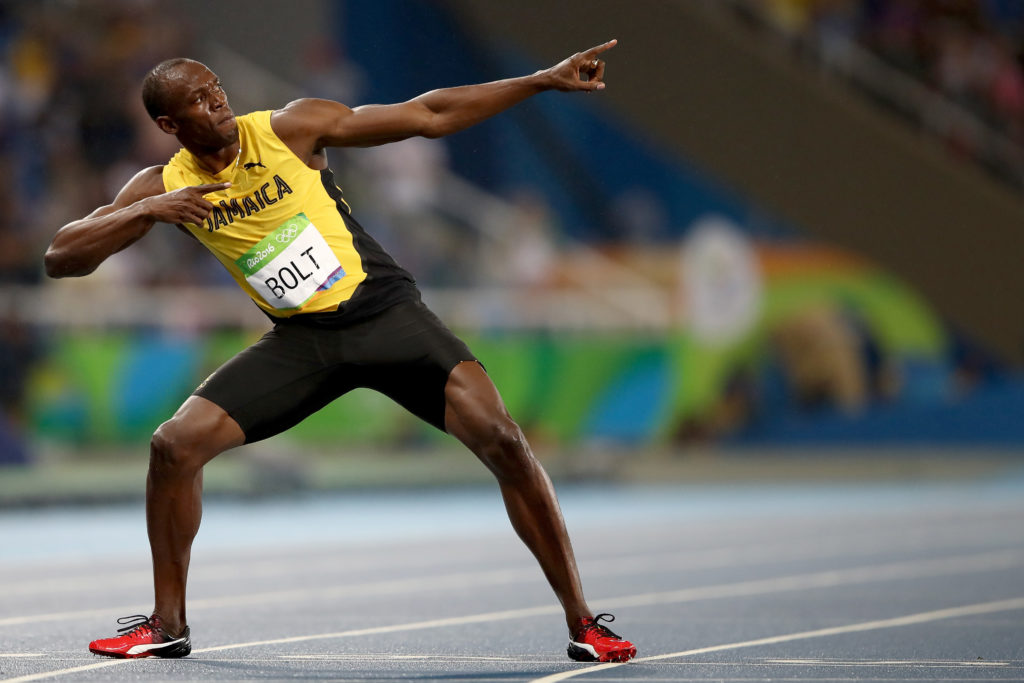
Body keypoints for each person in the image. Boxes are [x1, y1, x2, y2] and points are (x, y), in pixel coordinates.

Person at [44, 41, 637, 664]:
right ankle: (168, 624)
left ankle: (583, 621)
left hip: (386, 316)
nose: (217, 101)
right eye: (198, 99)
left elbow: (428, 115)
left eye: (216, 88)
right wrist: (148, 208)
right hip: (302, 344)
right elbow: (62, 257)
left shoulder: (290, 128)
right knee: (173, 446)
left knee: (503, 438)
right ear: (169, 125)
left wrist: (542, 80)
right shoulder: (164, 185)